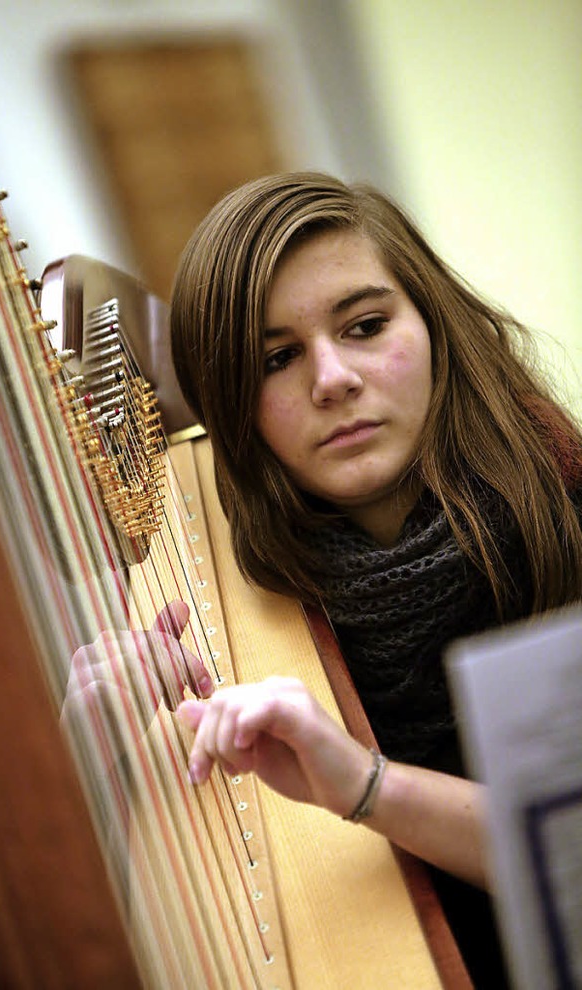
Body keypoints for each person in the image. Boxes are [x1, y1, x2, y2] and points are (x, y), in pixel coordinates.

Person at [161, 172, 582, 987]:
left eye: (364, 326)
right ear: (230, 403)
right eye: (277, 358)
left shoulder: (563, 518)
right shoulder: (247, 582)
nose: (333, 378)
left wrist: (364, 785)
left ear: (432, 326)